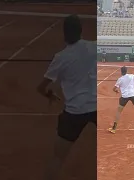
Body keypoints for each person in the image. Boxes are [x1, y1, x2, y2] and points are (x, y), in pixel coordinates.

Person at [37, 14, 96, 180]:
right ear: (81, 30)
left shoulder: (60, 58)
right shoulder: (94, 47)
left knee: (58, 157)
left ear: (64, 32)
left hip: (74, 112)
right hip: (98, 108)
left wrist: (49, 95)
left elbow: (41, 88)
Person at [108, 66, 134, 134]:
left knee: (119, 112)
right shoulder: (132, 76)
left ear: (121, 72)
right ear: (126, 71)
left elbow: (114, 89)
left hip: (124, 97)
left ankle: (114, 128)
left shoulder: (120, 79)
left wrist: (116, 91)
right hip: (133, 95)